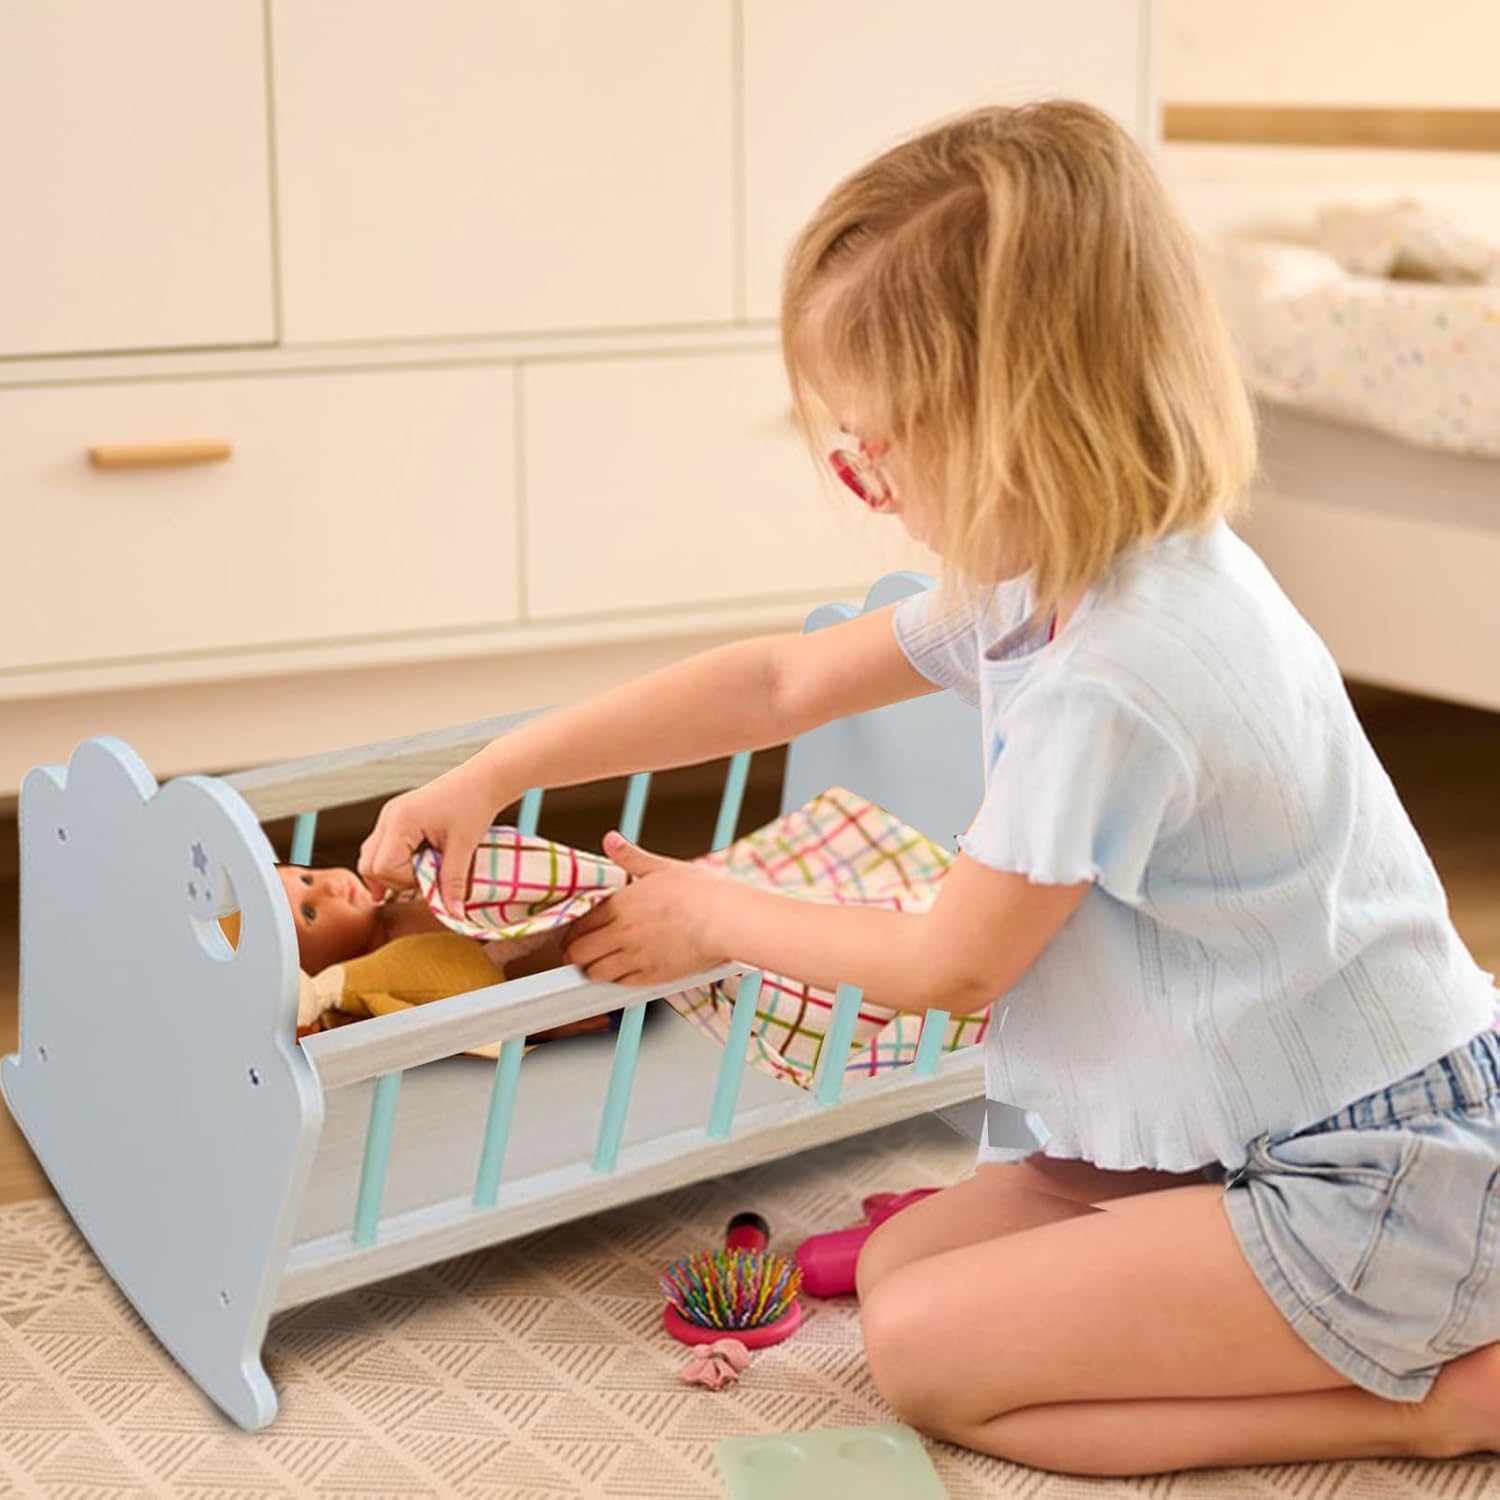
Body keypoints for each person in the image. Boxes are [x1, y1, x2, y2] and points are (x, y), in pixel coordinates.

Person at [356, 100, 1500, 1475]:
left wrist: (712, 914)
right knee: (907, 1270)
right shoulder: (1072, 573)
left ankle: (1437, 1404)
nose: (866, 483)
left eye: (878, 444)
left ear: (1016, 419)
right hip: (1260, 1115)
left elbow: (949, 965)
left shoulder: (1117, 677)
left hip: (1372, 1178)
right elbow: (779, 683)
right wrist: (498, 771)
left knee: (924, 1359)